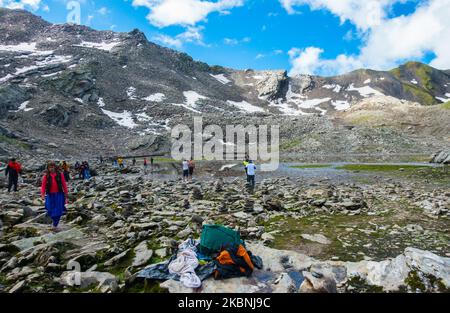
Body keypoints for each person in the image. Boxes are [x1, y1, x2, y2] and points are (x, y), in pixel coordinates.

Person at [41, 162, 68, 231]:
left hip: (59, 194)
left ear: (55, 167)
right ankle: (53, 221)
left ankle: (55, 224)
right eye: (50, 167)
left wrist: (66, 193)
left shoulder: (60, 174)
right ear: (48, 168)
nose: (51, 168)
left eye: (52, 167)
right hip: (50, 195)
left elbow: (64, 184)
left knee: (59, 210)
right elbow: (43, 186)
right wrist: (43, 195)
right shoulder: (46, 176)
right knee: (49, 208)